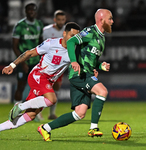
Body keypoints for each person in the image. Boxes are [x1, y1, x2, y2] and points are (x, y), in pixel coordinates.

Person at [37, 8, 113, 141]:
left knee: (79, 113)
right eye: (110, 19)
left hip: (85, 73)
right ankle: (93, 128)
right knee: (102, 91)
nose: (112, 21)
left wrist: (101, 66)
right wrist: (73, 61)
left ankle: (45, 128)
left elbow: (91, 59)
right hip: (79, 74)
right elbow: (71, 42)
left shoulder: (101, 38)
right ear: (101, 20)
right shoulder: (90, 31)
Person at [0, 22, 80, 132]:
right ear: (64, 33)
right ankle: (20, 106)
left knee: (31, 115)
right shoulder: (51, 43)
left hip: (48, 82)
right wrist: (12, 65)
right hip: (38, 75)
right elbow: (29, 53)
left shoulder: (74, 52)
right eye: (72, 36)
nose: (73, 39)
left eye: (76, 37)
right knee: (52, 99)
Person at [12, 3, 43, 104]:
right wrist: (22, 62)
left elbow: (41, 44)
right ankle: (15, 111)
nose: (31, 12)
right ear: (25, 11)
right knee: (21, 86)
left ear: (36, 12)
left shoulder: (39, 24)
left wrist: (42, 60)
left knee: (37, 87)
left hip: (35, 61)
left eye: (33, 10)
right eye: (29, 10)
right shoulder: (20, 26)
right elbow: (15, 46)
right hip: (23, 61)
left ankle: (35, 111)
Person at [42, 10, 67, 120]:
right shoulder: (46, 31)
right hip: (47, 65)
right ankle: (37, 112)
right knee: (43, 88)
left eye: (63, 20)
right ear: (54, 20)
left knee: (56, 88)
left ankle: (52, 113)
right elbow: (42, 47)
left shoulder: (68, 30)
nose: (61, 22)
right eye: (59, 19)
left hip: (60, 65)